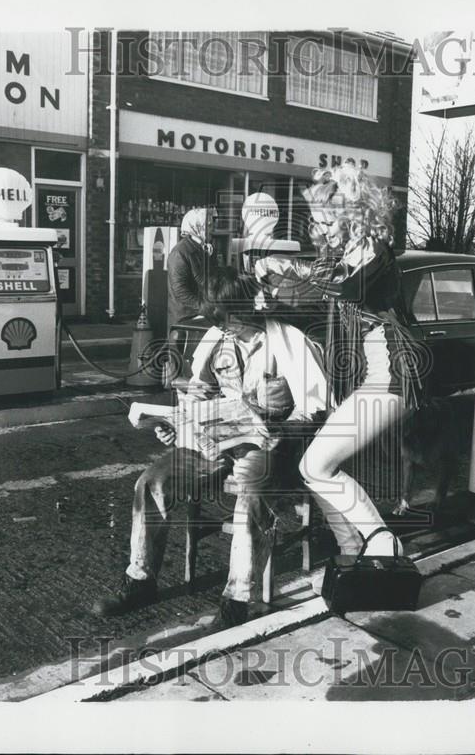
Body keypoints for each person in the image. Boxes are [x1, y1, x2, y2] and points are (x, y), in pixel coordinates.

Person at [94, 267, 328, 627]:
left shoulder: (290, 341)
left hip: (270, 443)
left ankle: (237, 598)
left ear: (249, 308)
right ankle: (140, 580)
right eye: (218, 321)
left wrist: (281, 428)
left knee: (250, 490)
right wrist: (177, 423)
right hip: (212, 442)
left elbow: (316, 408)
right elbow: (198, 396)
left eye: (229, 319)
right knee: (151, 482)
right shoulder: (217, 338)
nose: (223, 328)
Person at [255, 160, 426, 555]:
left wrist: (290, 271)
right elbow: (318, 310)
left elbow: (346, 291)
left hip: (395, 376)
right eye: (319, 222)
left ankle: (383, 545)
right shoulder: (346, 257)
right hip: (374, 380)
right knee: (318, 468)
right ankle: (361, 549)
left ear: (352, 214)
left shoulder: (375, 253)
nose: (323, 229)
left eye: (328, 221)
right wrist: (272, 304)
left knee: (316, 466)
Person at [167, 207, 216, 327]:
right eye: (208, 226)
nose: (212, 229)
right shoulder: (180, 252)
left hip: (201, 313)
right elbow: (180, 290)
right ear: (197, 227)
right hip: (186, 316)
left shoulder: (202, 249)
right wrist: (205, 307)